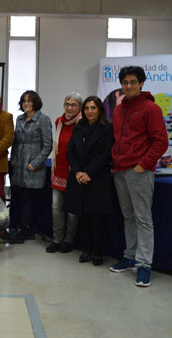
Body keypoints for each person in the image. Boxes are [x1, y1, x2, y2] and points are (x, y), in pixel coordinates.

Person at [110, 66, 168, 287]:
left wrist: (142, 165)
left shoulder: (151, 109)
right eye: (125, 82)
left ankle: (144, 265)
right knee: (128, 217)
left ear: (141, 83)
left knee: (143, 218)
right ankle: (130, 257)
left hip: (138, 172)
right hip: (119, 170)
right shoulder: (118, 109)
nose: (129, 86)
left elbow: (161, 141)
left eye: (133, 82)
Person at [64, 96, 114, 266]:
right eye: (87, 108)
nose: (90, 111)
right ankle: (86, 250)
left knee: (96, 217)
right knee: (82, 215)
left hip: (97, 178)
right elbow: (70, 151)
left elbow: (106, 154)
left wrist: (88, 172)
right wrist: (78, 171)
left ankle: (98, 253)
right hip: (79, 177)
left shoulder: (106, 128)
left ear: (100, 110)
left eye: (93, 108)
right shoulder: (79, 127)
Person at [6, 91, 52, 243]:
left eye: (29, 101)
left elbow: (47, 145)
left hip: (33, 166)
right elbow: (15, 142)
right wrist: (13, 159)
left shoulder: (43, 119)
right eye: (24, 101)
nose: (26, 103)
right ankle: (18, 227)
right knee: (18, 197)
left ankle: (25, 230)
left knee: (28, 199)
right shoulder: (19, 118)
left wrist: (36, 163)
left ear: (35, 103)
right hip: (19, 165)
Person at [46, 92, 82, 253]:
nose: (70, 108)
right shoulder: (58, 122)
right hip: (58, 170)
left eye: (74, 105)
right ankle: (57, 239)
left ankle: (69, 240)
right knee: (56, 207)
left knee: (72, 210)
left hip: (74, 172)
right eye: (67, 104)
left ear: (79, 107)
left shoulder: (82, 123)